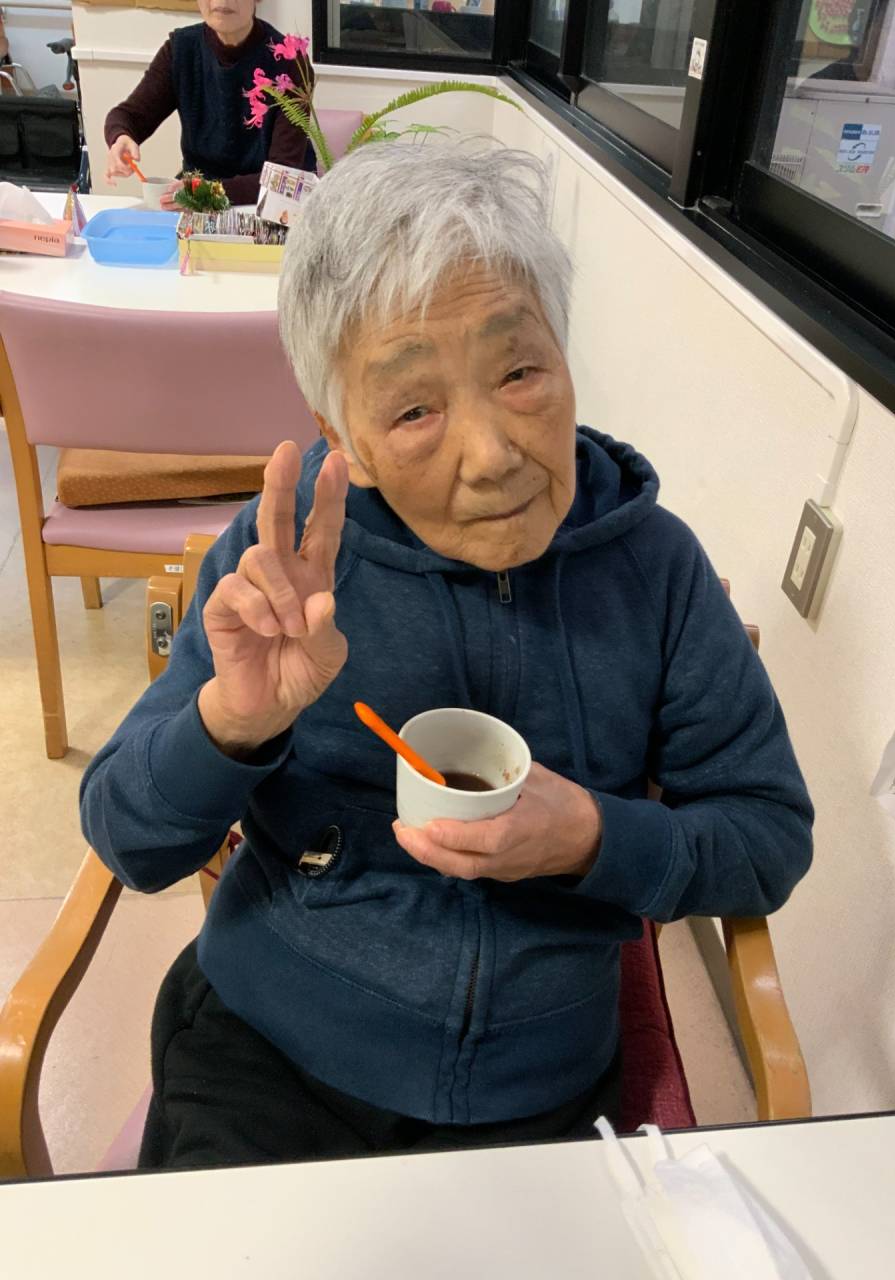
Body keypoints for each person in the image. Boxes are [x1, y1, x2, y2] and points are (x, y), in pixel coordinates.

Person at [80, 141, 814, 1170]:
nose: (494, 454)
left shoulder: (655, 570)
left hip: (535, 1089)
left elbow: (767, 839)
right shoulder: (286, 564)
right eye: (416, 408)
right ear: (344, 434)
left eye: (520, 372)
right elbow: (129, 840)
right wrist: (232, 725)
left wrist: (591, 838)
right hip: (269, 1055)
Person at [103, 0, 310, 208]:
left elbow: (283, 177)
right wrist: (121, 137)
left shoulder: (289, 60)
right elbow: (127, 116)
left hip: (266, 203)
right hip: (195, 197)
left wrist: (210, 193)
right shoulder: (181, 49)